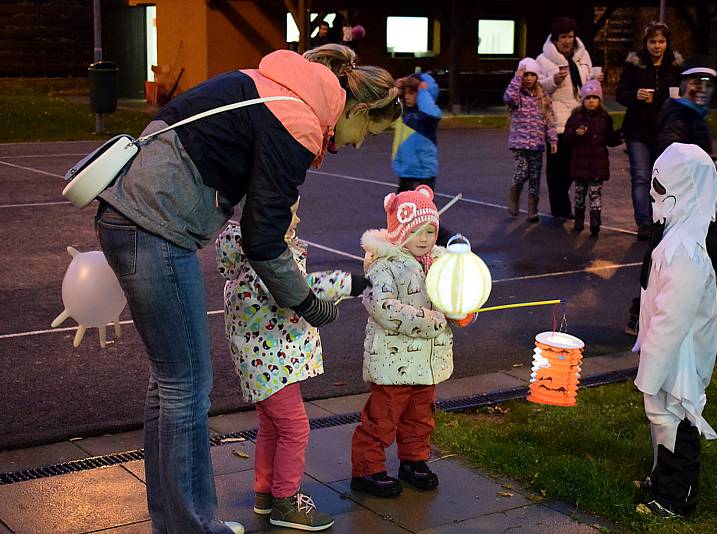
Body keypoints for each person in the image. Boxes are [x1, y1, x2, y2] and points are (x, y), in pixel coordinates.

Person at [95, 44, 400, 534]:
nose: (360, 144)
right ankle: (191, 527)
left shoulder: (269, 85)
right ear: (358, 109)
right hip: (155, 225)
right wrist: (308, 302)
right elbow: (263, 239)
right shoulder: (298, 118)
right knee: (186, 387)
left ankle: (175, 523)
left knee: (170, 382)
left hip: (129, 212)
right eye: (370, 132)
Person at [214, 200, 369, 531]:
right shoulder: (264, 259)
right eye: (291, 210)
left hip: (270, 360)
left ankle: (266, 494)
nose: (298, 217)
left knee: (273, 426)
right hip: (272, 360)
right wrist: (349, 283)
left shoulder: (252, 253)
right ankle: (286, 501)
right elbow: (300, 288)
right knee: (295, 428)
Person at [350, 185, 473, 497]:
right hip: (394, 362)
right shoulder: (384, 265)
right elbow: (383, 308)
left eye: (430, 231)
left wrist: (462, 310)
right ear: (399, 232)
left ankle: (414, 461)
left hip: (427, 362)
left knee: (421, 417)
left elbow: (456, 294)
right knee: (382, 419)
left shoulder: (439, 263)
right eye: (415, 231)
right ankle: (368, 469)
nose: (424, 238)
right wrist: (432, 320)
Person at [626, 55, 717, 342]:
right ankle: (715, 322)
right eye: (697, 83)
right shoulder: (680, 117)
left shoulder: (691, 115)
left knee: (670, 259)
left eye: (708, 84)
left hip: (687, 203)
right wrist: (711, 166)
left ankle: (638, 312)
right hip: (682, 205)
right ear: (683, 86)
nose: (703, 89)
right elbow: (671, 152)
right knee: (693, 260)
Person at [633, 143, 717, 518]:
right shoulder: (674, 240)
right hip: (665, 353)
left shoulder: (686, 252)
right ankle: (661, 477)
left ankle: (677, 497)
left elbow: (673, 317)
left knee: (678, 417)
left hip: (679, 358)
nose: (654, 194)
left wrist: (650, 368)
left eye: (660, 186)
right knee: (660, 417)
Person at [616, 21, 683, 240]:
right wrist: (635, 95)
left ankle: (660, 219)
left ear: (667, 43)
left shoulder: (675, 66)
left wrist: (678, 100)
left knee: (662, 179)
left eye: (661, 41)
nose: (657, 46)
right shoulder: (635, 64)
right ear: (645, 43)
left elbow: (685, 91)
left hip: (664, 131)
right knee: (641, 176)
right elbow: (620, 94)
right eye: (653, 41)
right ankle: (643, 222)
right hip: (637, 128)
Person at [536, 17, 601, 219]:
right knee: (558, 168)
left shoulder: (583, 56)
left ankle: (565, 203)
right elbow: (537, 88)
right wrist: (552, 81)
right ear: (555, 39)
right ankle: (560, 208)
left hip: (580, 118)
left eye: (571, 36)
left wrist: (595, 81)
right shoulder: (543, 60)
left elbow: (587, 84)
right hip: (557, 121)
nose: (567, 40)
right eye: (563, 37)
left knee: (577, 165)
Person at [563, 79, 623, 235]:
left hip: (597, 164)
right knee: (579, 194)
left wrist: (620, 137)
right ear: (583, 100)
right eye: (588, 98)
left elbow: (609, 138)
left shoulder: (604, 118)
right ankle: (579, 220)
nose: (591, 101)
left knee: (595, 194)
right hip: (580, 164)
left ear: (599, 100)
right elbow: (567, 137)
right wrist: (576, 133)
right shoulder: (576, 117)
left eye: (594, 98)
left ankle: (595, 221)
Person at [503, 58, 558, 222]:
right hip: (519, 144)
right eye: (525, 75)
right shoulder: (517, 95)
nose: (528, 78)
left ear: (537, 76)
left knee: (534, 177)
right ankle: (514, 193)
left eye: (531, 75)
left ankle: (532, 209)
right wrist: (516, 77)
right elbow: (508, 98)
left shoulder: (543, 97)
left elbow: (549, 120)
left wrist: (553, 139)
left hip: (536, 144)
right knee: (522, 172)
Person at [392, 73, 442, 193]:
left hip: (424, 172)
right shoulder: (403, 113)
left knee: (422, 209)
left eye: (412, 93)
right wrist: (395, 90)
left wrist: (423, 91)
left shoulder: (427, 116)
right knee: (401, 207)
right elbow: (388, 114)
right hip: (405, 170)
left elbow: (431, 112)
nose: (407, 96)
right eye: (406, 92)